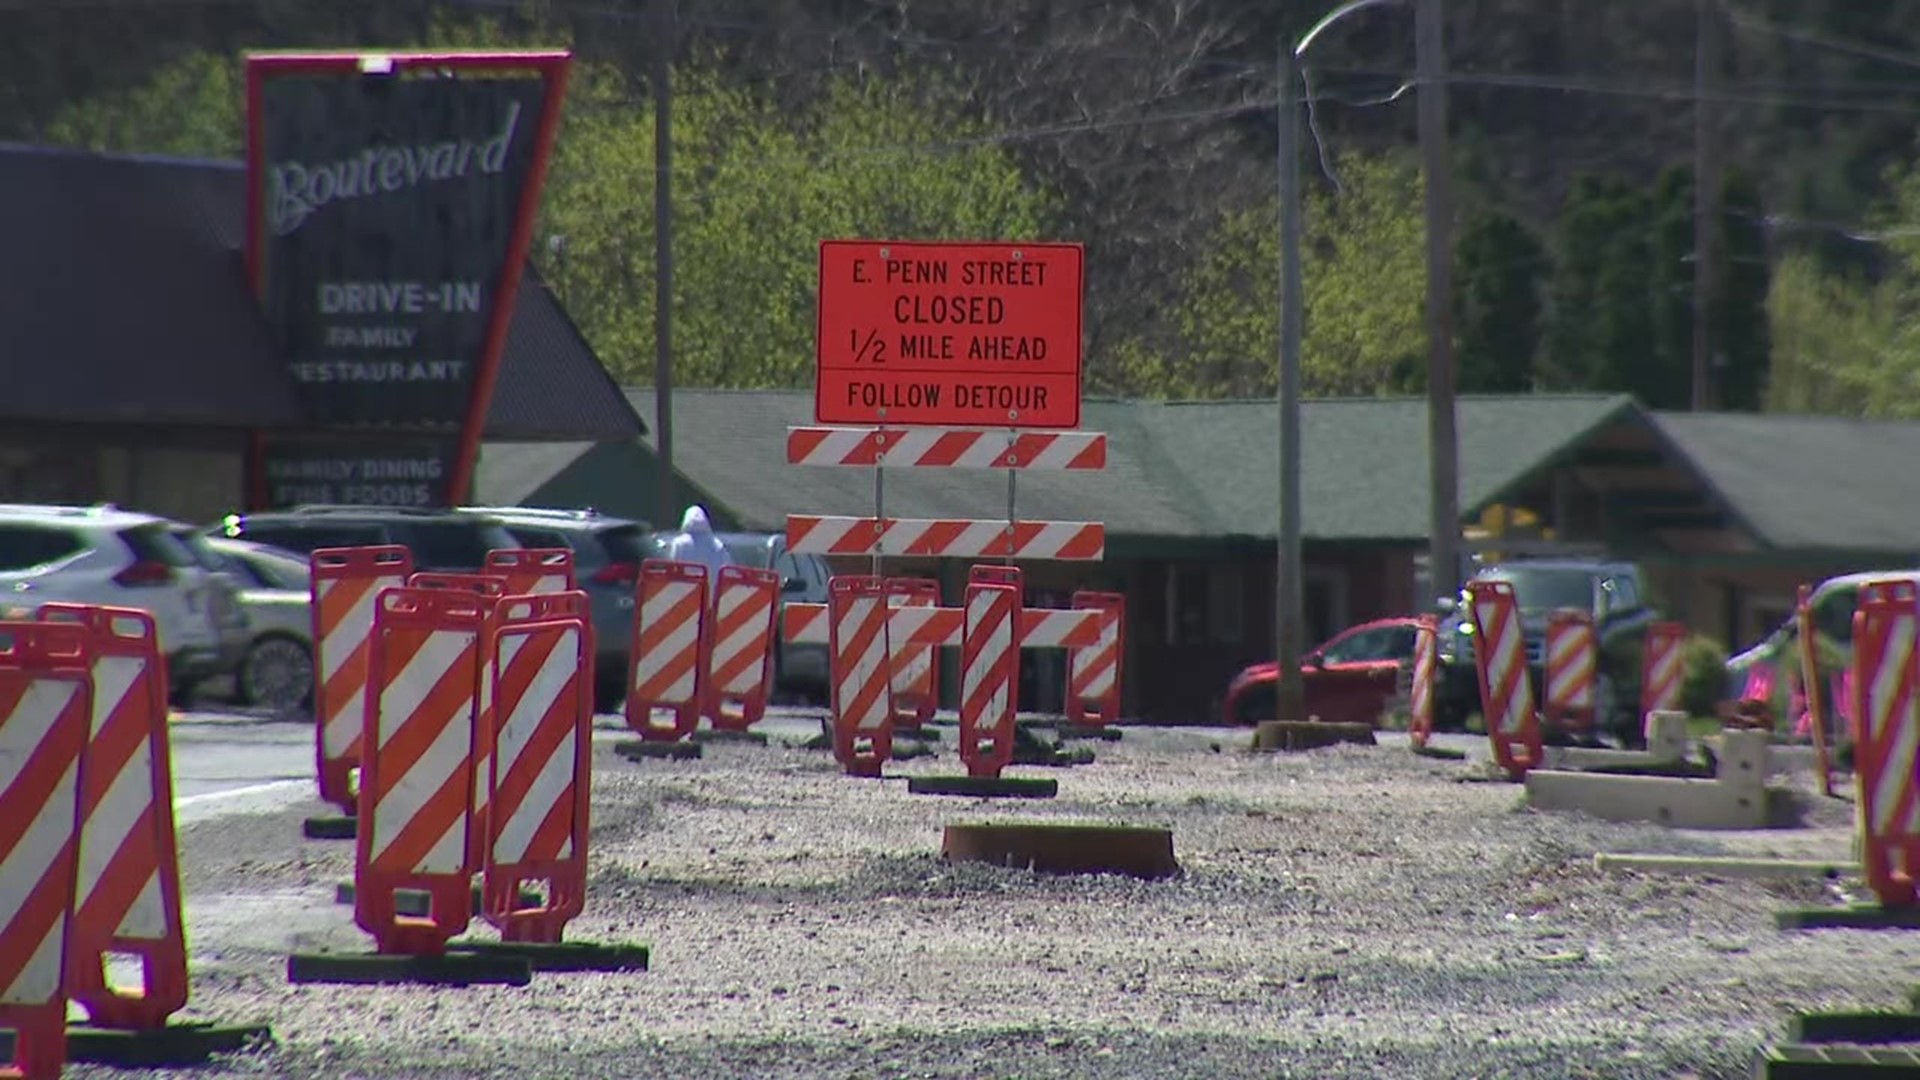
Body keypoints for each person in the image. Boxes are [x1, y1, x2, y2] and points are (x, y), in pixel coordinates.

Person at [663, 504, 733, 579]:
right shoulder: (718, 544)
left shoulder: (678, 544)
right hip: (713, 589)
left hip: (685, 588)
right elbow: (729, 571)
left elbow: (671, 568)